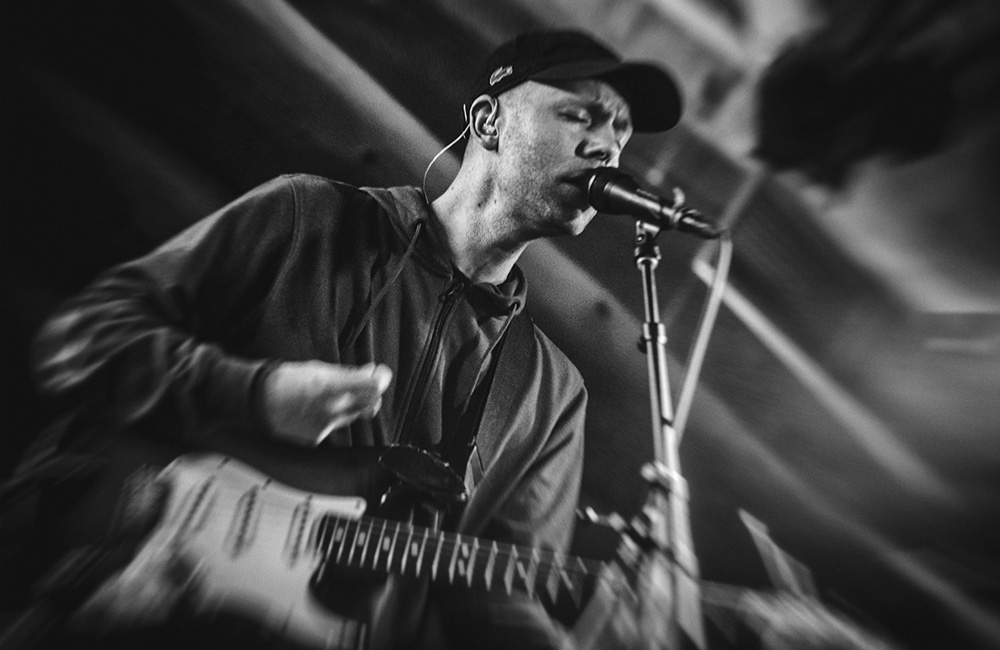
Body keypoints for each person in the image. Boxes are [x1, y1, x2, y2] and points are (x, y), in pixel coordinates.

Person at [27, 29, 682, 650]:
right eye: (582, 116)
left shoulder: (551, 391)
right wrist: (256, 394)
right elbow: (82, 338)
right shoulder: (306, 218)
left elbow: (495, 603)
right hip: (113, 590)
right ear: (488, 122)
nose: (609, 147)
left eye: (621, 130)